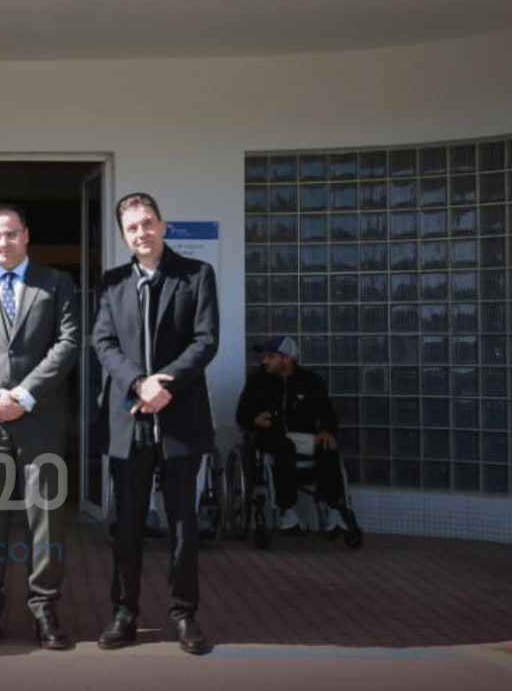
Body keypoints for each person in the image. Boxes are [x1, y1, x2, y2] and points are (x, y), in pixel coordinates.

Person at [0, 203, 80, 650]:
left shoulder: (57, 283)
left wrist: (24, 396)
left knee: (46, 521)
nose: (2, 243)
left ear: (26, 235)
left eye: (10, 234)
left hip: (40, 420)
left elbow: (68, 342)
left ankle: (45, 610)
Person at [92, 193, 218, 655]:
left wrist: (165, 384)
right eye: (132, 227)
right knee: (127, 526)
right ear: (123, 236)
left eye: (147, 223)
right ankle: (124, 613)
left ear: (162, 226)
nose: (141, 233)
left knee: (182, 523)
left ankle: (184, 614)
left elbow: (205, 340)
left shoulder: (196, 275)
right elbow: (103, 342)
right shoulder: (111, 283)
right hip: (129, 422)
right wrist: (138, 383)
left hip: (180, 418)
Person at [235, 334, 349, 534]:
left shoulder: (311, 381)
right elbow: (241, 415)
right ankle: (287, 510)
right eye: (264, 356)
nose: (264, 361)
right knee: (283, 446)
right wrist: (255, 420)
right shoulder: (258, 381)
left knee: (328, 447)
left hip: (305, 436)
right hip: (272, 437)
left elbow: (328, 413)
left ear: (287, 358)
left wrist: (327, 430)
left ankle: (334, 509)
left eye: (270, 356)